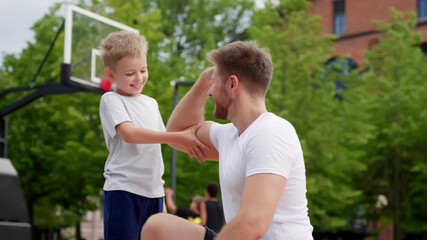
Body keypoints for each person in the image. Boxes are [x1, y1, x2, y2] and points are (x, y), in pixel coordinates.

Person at [140, 41, 313, 240]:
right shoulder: (230, 135)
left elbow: (252, 224)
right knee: (159, 227)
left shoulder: (271, 132)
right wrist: (205, 79)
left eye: (213, 83)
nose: (210, 92)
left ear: (232, 84)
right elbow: (178, 134)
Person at [98, 31, 207, 240]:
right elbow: (129, 134)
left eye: (143, 70)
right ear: (111, 75)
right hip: (124, 190)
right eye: (130, 73)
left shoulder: (151, 103)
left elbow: (160, 140)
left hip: (153, 194)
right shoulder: (111, 100)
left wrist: (161, 196)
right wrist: (179, 137)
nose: (139, 78)